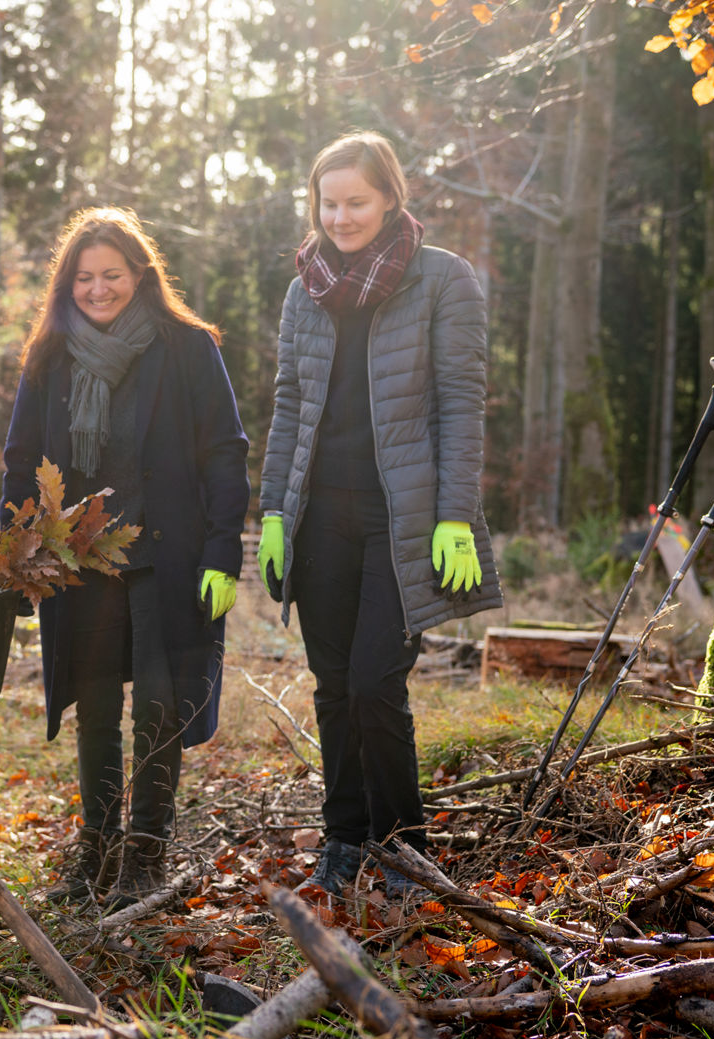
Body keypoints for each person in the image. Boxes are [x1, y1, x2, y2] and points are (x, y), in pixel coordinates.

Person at [257, 131, 502, 899]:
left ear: (391, 197)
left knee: (374, 681)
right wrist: (272, 511)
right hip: (319, 513)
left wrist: (454, 516)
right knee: (331, 683)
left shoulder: (441, 280)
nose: (340, 217)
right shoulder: (307, 287)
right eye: (328, 203)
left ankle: (403, 846)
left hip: (404, 520)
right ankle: (344, 838)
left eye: (356, 202)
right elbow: (290, 405)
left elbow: (462, 405)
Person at [0, 207, 250, 908]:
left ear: (139, 274)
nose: (98, 289)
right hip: (81, 565)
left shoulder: (187, 346)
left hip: (169, 556)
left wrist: (224, 552)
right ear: (67, 283)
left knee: (162, 705)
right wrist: (21, 546)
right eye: (84, 277)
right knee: (97, 706)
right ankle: (96, 852)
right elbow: (21, 458)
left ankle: (146, 854)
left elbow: (225, 450)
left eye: (111, 275)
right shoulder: (51, 354)